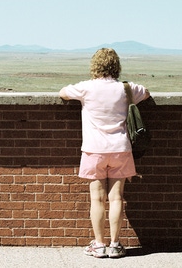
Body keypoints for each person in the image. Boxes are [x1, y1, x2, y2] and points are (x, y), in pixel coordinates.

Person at [59, 48, 150, 259]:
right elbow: (145, 93)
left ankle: (99, 245)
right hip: (120, 149)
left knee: (97, 200)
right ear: (116, 66)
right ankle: (115, 245)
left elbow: (63, 92)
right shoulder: (125, 88)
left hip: (94, 150)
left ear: (95, 66)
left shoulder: (86, 88)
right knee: (116, 198)